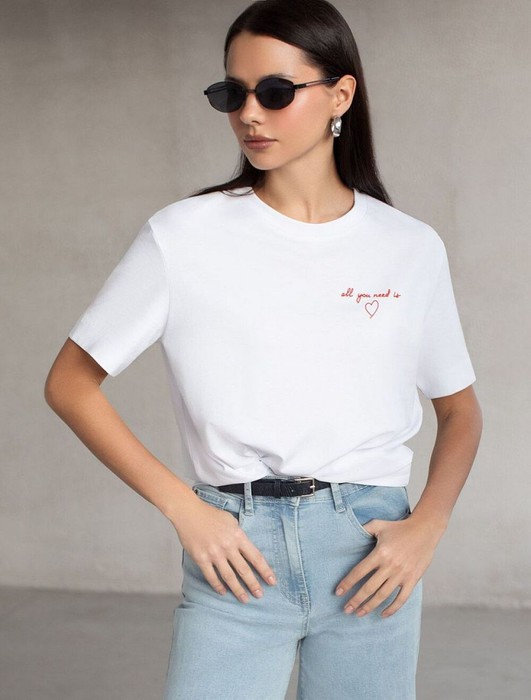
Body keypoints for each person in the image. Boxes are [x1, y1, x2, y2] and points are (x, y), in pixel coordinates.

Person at [44, 0, 483, 698]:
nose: (249, 114)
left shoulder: (408, 246)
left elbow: (460, 411)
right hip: (237, 551)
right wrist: (186, 510)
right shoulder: (183, 236)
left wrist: (427, 524)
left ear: (340, 95)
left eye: (275, 92)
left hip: (370, 551)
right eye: (233, 93)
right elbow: (69, 382)